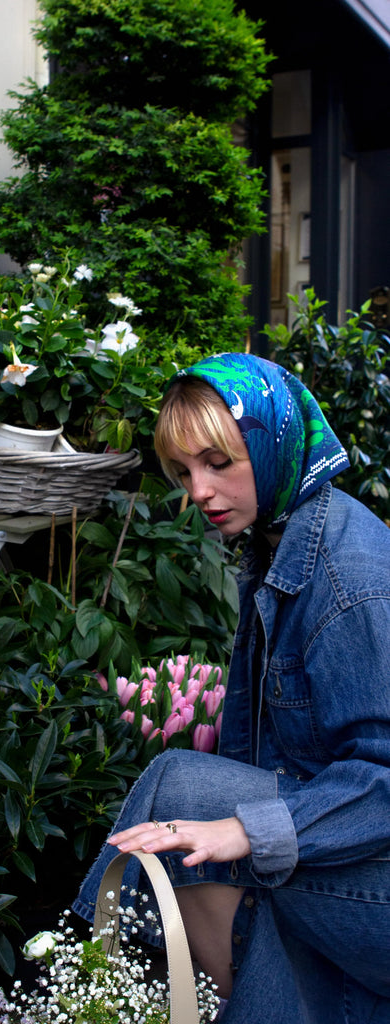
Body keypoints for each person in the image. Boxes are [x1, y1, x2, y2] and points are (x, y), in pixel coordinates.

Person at [72, 352, 390, 1023]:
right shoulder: (283, 539)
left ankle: (87, 974)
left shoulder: (349, 583)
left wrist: (248, 830)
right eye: (184, 471)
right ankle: (108, 980)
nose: (199, 490)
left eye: (218, 462)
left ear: (274, 445)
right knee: (181, 799)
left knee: (194, 810)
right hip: (354, 853)